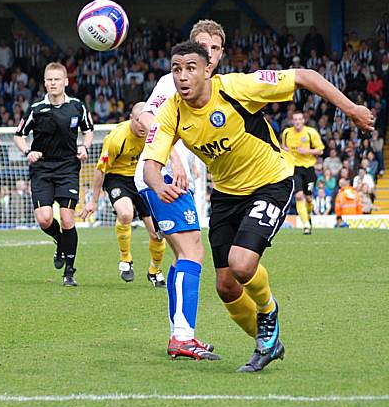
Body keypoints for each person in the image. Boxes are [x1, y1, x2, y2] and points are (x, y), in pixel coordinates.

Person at [143, 41, 373, 372]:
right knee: (225, 286)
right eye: (176, 69)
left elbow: (304, 75)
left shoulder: (239, 87)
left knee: (241, 263)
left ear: (208, 69)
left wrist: (350, 108)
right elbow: (152, 162)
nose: (182, 76)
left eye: (190, 68)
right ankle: (268, 342)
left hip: (271, 181)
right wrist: (157, 184)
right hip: (225, 193)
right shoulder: (171, 112)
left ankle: (268, 309)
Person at [136, 19, 226, 361]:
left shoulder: (213, 86)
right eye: (203, 45)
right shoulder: (174, 80)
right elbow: (144, 115)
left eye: (215, 48)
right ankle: (182, 336)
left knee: (184, 255)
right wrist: (172, 158)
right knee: (192, 254)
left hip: (182, 176)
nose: (209, 53)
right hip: (161, 174)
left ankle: (181, 333)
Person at [14, 62, 93, 287]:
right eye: (49, 80)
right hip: (42, 168)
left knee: (68, 219)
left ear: (66, 81)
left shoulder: (77, 106)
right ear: (45, 82)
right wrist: (28, 151)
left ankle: (69, 271)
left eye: (57, 79)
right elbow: (19, 135)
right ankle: (60, 241)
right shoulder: (36, 109)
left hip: (68, 167)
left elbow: (88, 131)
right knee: (44, 218)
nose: (53, 83)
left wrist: (84, 146)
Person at [80, 102, 166, 287]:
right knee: (125, 213)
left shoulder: (155, 133)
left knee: (158, 233)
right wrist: (93, 201)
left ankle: (154, 270)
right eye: (139, 121)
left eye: (146, 121)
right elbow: (100, 170)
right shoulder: (117, 138)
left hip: (144, 178)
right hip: (118, 178)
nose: (143, 126)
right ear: (131, 119)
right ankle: (126, 259)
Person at [281, 111, 324, 234]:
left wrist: (307, 151)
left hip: (309, 168)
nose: (297, 122)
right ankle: (306, 225)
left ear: (303, 120)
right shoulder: (287, 133)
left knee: (309, 198)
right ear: (292, 121)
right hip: (294, 168)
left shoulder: (311, 132)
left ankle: (308, 216)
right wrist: (284, 150)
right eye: (295, 119)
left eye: (299, 119)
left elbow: (321, 151)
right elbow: (283, 147)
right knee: (299, 196)